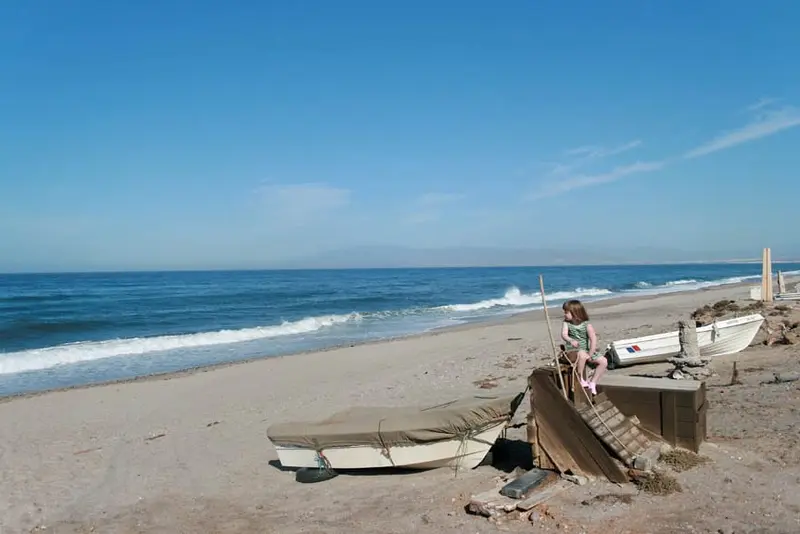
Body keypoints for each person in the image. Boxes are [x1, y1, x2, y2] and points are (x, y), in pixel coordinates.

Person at [560, 299, 607, 395]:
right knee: (581, 355)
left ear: (575, 313)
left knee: (603, 361)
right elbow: (564, 334)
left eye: (566, 312)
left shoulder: (586, 324)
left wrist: (591, 353)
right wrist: (570, 340)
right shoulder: (566, 323)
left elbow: (593, 339)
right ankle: (581, 379)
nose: (564, 314)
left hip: (585, 350)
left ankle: (593, 382)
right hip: (572, 350)